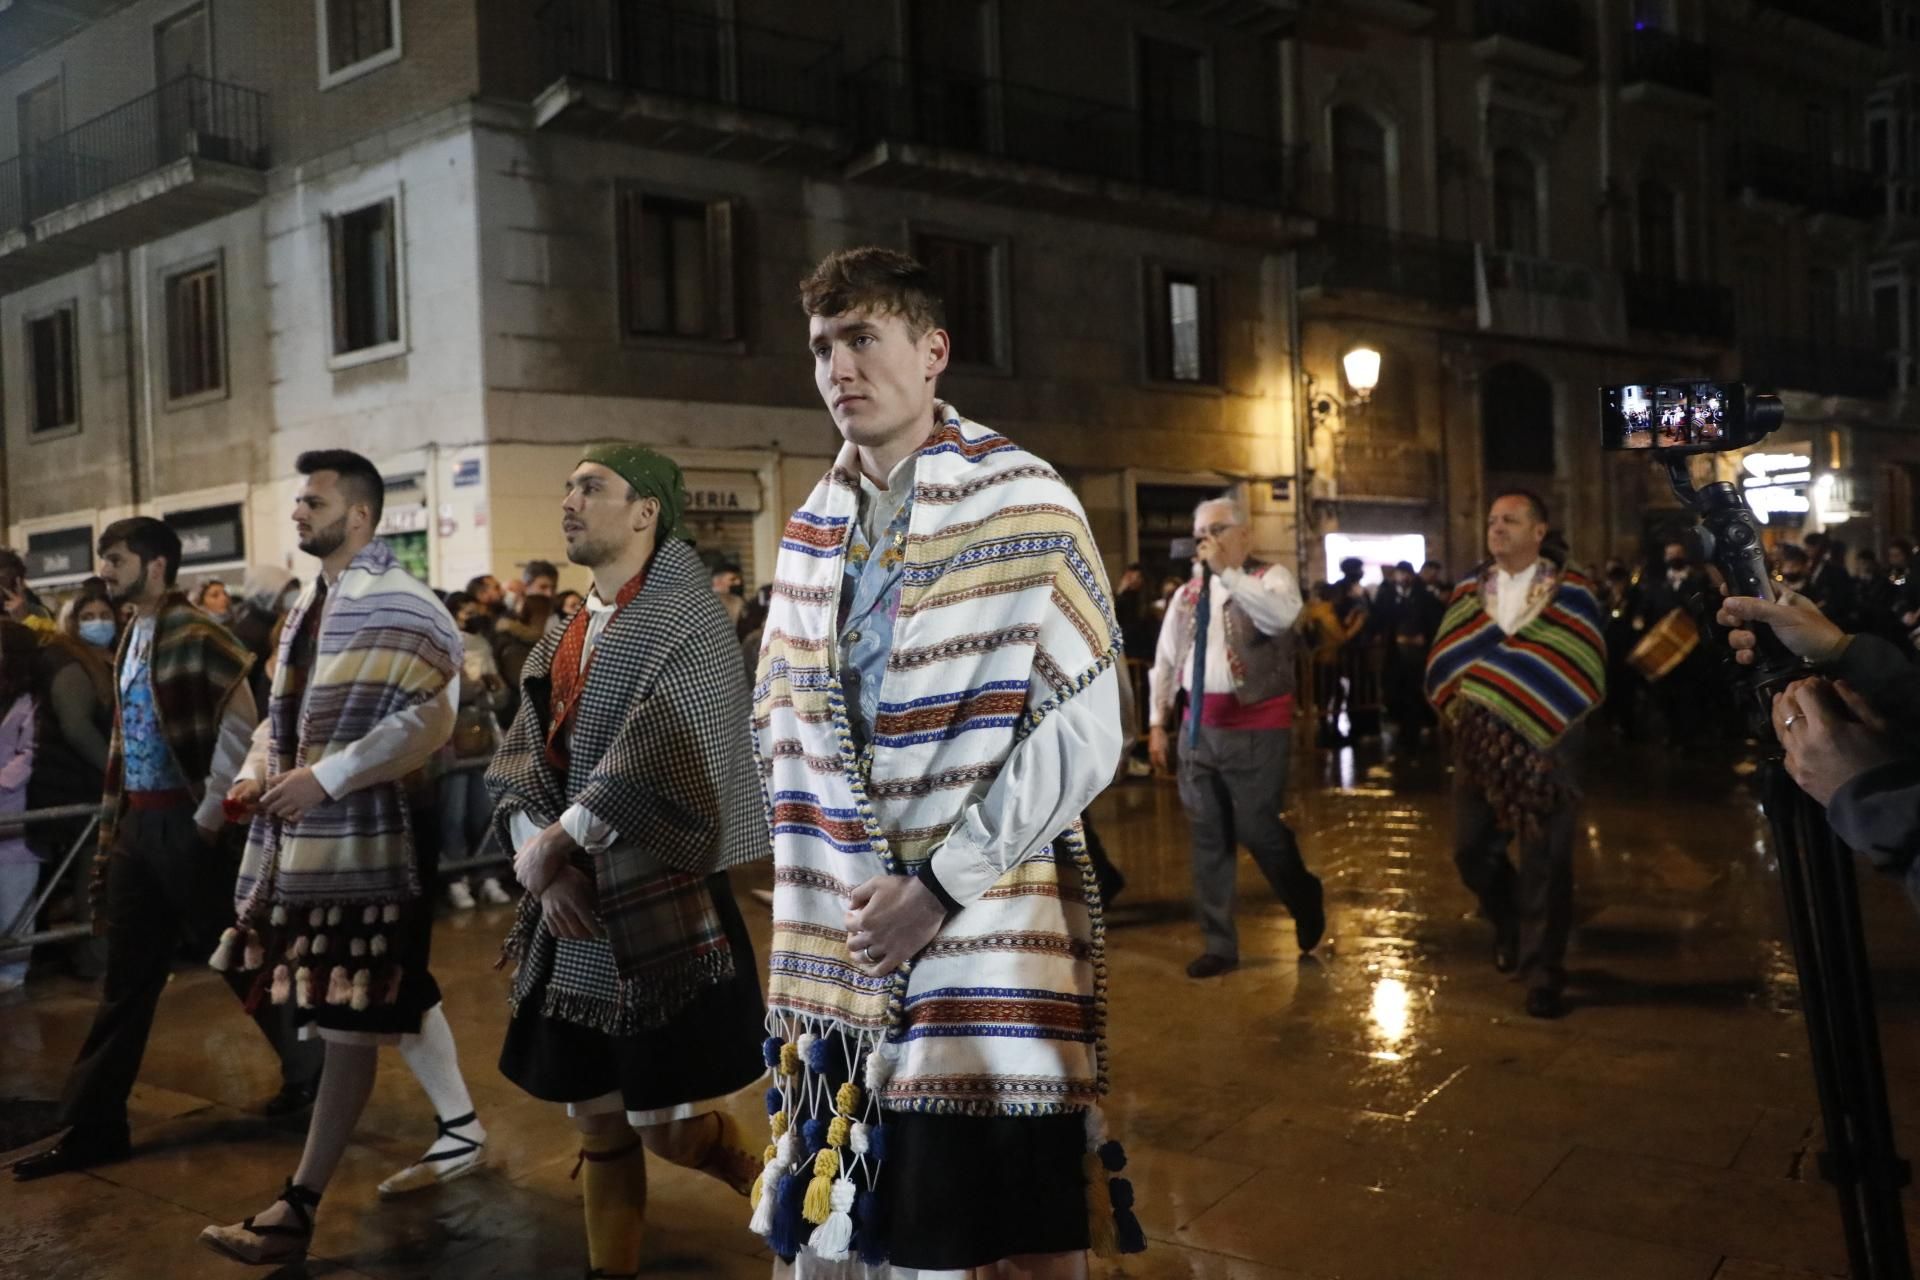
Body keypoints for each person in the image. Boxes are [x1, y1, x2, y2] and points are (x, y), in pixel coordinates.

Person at [751, 247, 1137, 1271]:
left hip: (984, 929)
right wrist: (822, 869)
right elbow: (779, 725)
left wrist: (938, 884)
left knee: (998, 1230)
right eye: (823, 346)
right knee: (846, 1223)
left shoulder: (1026, 499)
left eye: (863, 338)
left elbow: (1089, 727)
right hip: (843, 937)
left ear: (932, 353)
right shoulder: (806, 531)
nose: (839, 365)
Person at [487, 446, 768, 1279]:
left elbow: (662, 748)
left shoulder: (692, 620)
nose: (568, 500)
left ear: (646, 510)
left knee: (668, 1125)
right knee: (596, 1118)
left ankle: (769, 1185)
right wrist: (538, 855)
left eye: (590, 486)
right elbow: (522, 751)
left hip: (659, 899)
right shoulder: (571, 625)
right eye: (569, 486)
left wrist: (555, 845)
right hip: (572, 900)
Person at [200, 451, 482, 1262]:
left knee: (350, 1025)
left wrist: (324, 780)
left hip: (375, 839)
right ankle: (449, 1130)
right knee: (350, 1018)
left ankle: (299, 1206)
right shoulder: (306, 606)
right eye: (299, 498)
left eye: (311, 500)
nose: (297, 510)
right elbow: (281, 718)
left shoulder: (406, 603)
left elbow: (431, 717)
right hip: (308, 845)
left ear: (358, 515)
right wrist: (261, 774)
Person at [15, 520, 322, 1182]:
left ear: (155, 566)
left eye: (117, 560)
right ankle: (96, 1125)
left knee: (239, 955)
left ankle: (314, 1070)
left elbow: (243, 728)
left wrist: (210, 818)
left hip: (188, 826)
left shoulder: (200, 634)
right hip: (139, 827)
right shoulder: (132, 633)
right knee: (128, 979)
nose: (106, 571)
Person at [1425, 491, 1606, 1020]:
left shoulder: (1573, 592)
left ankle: (1543, 971)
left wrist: (1522, 687)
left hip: (1550, 740)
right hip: (1481, 744)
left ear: (1539, 531)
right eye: (1491, 520)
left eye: (1510, 519)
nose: (1497, 527)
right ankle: (1508, 920)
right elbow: (1448, 657)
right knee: (1469, 849)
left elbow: (1585, 659)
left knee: (1546, 861)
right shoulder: (1467, 591)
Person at [1148, 496, 1321, 978]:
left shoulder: (1270, 579)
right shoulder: (1185, 595)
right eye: (1201, 530)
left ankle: (1304, 897)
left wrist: (1228, 574)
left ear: (1245, 534)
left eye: (1219, 529)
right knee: (1209, 837)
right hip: (1198, 729)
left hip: (1256, 731)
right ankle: (1220, 944)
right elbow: (1166, 661)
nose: (1208, 538)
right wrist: (1158, 723)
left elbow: (1279, 618)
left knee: (1260, 831)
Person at [32, 581, 119, 976]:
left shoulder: (102, 658)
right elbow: (77, 727)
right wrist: (116, 774)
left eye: (104, 615)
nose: (98, 623)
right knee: (92, 872)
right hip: (76, 785)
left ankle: (94, 954)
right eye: (87, 617)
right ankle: (94, 959)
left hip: (85, 782)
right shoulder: (70, 661)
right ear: (72, 621)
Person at [438, 593, 512, 912]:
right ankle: (456, 878)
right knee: (454, 814)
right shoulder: (438, 645)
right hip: (450, 740)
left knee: (484, 810)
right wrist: (479, 686)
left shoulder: (481, 644)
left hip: (483, 737)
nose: (470, 617)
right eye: (464, 612)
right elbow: (451, 691)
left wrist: (484, 688)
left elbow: (501, 693)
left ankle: (486, 873)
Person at [0, 625, 39, 993]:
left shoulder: (29, 703)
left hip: (16, 815)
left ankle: (12, 976)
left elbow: (31, 753)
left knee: (15, 903)